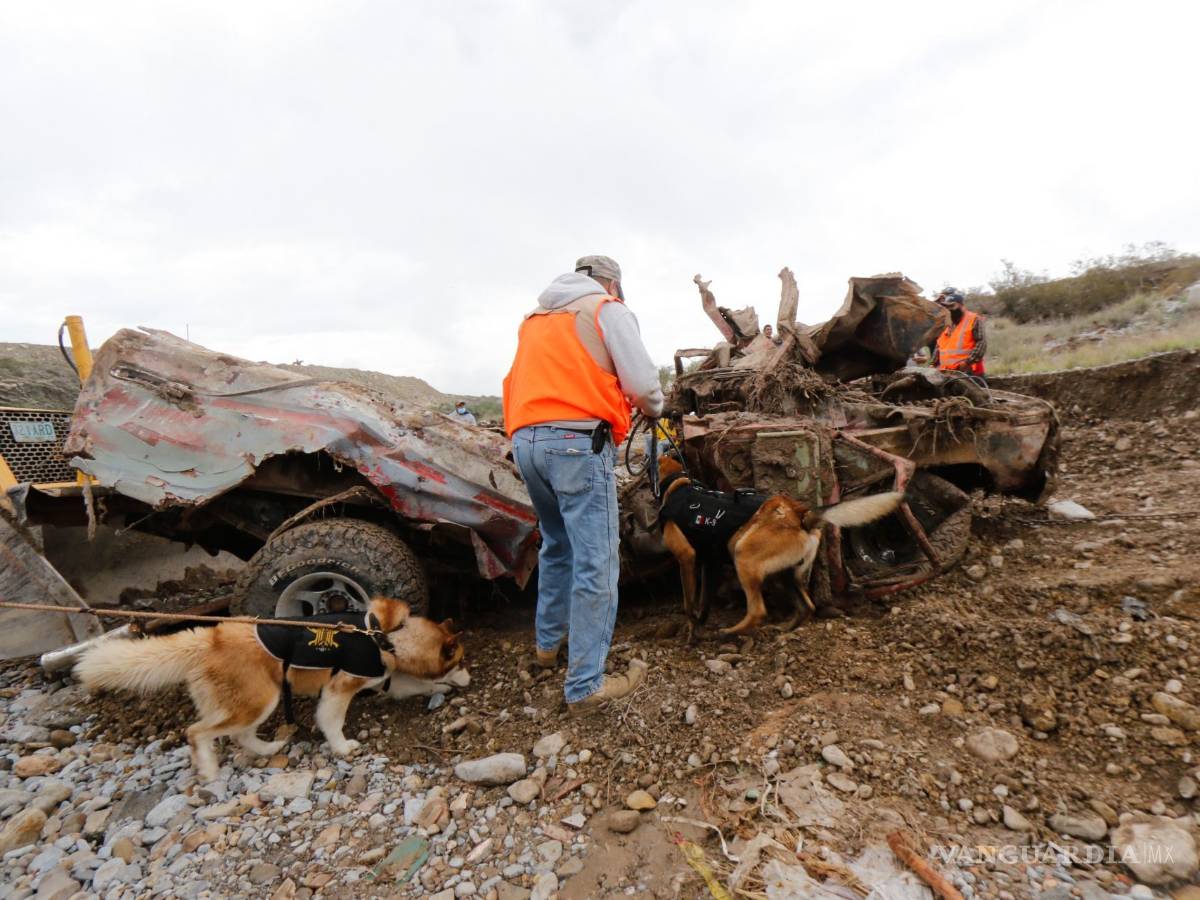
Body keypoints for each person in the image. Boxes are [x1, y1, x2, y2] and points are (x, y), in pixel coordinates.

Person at [502, 254, 662, 716]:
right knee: (597, 559)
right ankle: (586, 685)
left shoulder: (535, 318)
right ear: (612, 282)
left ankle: (547, 648)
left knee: (557, 546)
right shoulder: (605, 308)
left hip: (527, 442)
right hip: (574, 444)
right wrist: (654, 406)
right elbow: (641, 383)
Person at [931, 288, 987, 380]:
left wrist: (967, 363)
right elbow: (939, 345)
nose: (949, 309)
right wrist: (932, 364)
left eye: (952, 306)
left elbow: (981, 343)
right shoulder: (947, 322)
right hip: (947, 373)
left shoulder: (973, 319)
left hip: (970, 372)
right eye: (947, 307)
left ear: (961, 306)